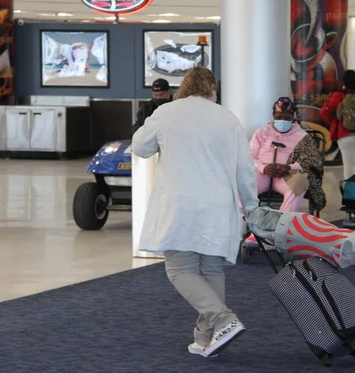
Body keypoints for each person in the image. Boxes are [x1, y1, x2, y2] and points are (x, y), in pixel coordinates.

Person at [132, 66, 259, 358]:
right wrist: (251, 207)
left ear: (183, 88)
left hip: (180, 204)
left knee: (179, 269)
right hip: (217, 205)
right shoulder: (227, 118)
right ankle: (206, 340)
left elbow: (140, 146)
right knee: (211, 269)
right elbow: (244, 169)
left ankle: (223, 319)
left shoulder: (166, 113)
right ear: (212, 90)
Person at [243, 97, 326, 247]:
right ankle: (254, 230)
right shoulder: (261, 133)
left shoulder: (302, 136)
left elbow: (310, 161)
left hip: (286, 175)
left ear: (293, 116)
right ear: (273, 116)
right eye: (279, 117)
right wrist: (264, 168)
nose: (282, 120)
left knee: (300, 184)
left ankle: (278, 231)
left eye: (286, 117)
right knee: (242, 186)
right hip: (262, 172)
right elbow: (249, 158)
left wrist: (290, 167)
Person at [320, 70, 355, 179]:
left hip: (345, 135)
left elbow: (324, 112)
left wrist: (334, 122)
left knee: (348, 165)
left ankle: (350, 192)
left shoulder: (337, 96)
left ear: (343, 81)